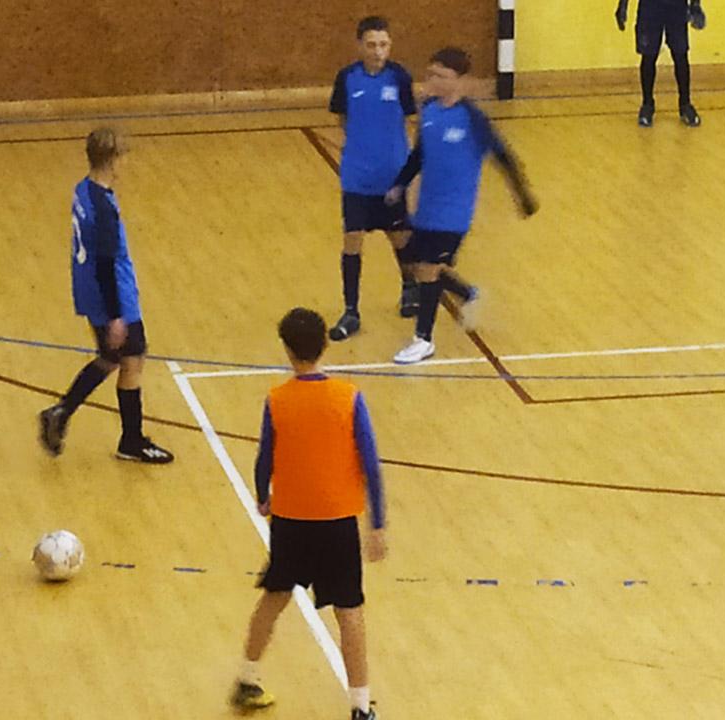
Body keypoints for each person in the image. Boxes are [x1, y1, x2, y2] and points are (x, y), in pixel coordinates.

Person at [229, 308, 387, 720]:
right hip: (337, 523)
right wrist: (378, 523)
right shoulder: (349, 397)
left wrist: (262, 496)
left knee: (274, 596)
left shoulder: (277, 399)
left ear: (286, 349)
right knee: (349, 611)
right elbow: (371, 464)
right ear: (325, 344)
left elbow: (264, 457)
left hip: (291, 522)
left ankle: (247, 678)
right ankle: (360, 706)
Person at [386, 48, 539, 365]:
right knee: (417, 264)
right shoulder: (429, 111)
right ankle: (468, 293)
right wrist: (399, 184)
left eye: (441, 76)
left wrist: (522, 194)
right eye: (431, 74)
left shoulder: (473, 118)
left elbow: (503, 156)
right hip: (427, 206)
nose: (433, 81)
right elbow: (419, 155)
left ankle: (423, 339)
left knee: (428, 269)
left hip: (454, 211)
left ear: (459, 80)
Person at [37, 128, 173, 464]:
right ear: (113, 159)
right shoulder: (104, 211)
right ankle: (130, 440)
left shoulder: (83, 190)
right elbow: (106, 263)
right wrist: (116, 315)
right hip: (114, 296)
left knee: (112, 358)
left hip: (88, 289)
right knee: (132, 359)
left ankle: (62, 412)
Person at [327, 16, 420, 341]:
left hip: (391, 176)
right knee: (352, 238)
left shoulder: (399, 77)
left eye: (383, 45)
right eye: (371, 45)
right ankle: (351, 310)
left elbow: (410, 117)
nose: (378, 51)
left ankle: (409, 287)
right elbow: (341, 117)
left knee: (399, 237)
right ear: (359, 46)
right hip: (357, 177)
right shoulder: (347, 78)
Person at [615, 0, 706, 127]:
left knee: (680, 55)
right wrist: (623, 5)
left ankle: (685, 104)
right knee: (649, 56)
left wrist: (695, 5)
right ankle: (647, 105)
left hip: (677, 7)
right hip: (650, 7)